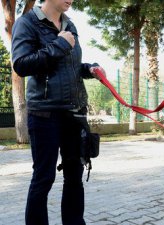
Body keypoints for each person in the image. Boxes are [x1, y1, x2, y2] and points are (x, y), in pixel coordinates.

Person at [11, 0, 105, 224]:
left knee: (75, 176)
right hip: (44, 114)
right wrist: (59, 45)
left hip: (74, 113)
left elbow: (70, 67)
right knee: (44, 178)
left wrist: (89, 69)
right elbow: (21, 64)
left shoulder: (69, 25)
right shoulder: (27, 23)